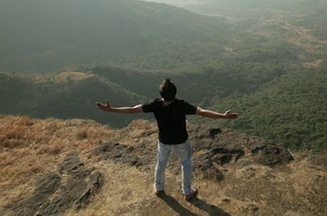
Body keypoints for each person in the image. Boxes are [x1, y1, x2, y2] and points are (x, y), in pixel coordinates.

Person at [95, 78, 239, 201]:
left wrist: (111, 109)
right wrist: (222, 116)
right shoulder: (181, 105)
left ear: (161, 93)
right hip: (181, 141)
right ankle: (187, 191)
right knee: (186, 164)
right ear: (175, 93)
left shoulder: (156, 104)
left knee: (161, 163)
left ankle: (158, 188)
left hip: (163, 141)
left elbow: (133, 109)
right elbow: (202, 112)